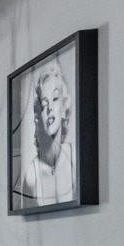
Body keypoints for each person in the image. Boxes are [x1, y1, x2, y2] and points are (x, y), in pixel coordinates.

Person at [20, 59, 76, 206]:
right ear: (38, 115)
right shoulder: (31, 176)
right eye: (44, 104)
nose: (50, 107)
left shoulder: (75, 158)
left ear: (64, 107)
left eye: (55, 98)